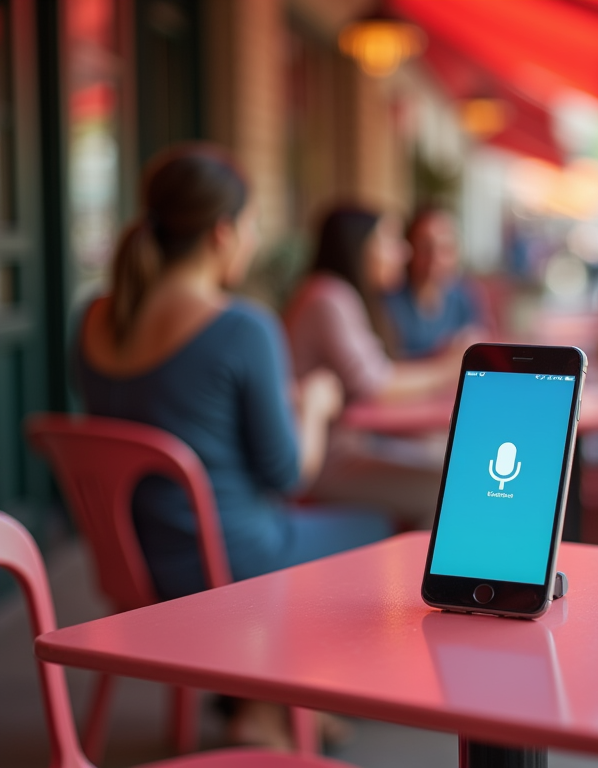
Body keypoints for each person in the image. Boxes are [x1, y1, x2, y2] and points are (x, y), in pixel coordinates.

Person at [75, 145, 391, 746]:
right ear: (223, 233)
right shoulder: (241, 327)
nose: (249, 242)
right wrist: (316, 407)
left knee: (271, 526)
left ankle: (272, 697)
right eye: (249, 229)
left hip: (136, 561)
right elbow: (288, 472)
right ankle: (273, 704)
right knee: (379, 527)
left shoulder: (92, 320)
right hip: (227, 567)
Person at [284, 206, 463, 521]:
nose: (404, 253)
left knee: (450, 460)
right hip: (322, 462)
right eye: (390, 240)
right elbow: (376, 384)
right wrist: (451, 366)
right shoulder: (328, 297)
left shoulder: (337, 295)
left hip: (348, 449)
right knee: (453, 484)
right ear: (359, 246)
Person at [383, 206, 490, 359]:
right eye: (424, 247)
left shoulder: (464, 297)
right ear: (408, 248)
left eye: (444, 248)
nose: (434, 258)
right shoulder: (388, 301)